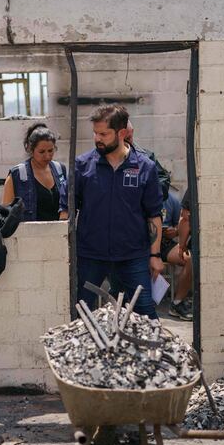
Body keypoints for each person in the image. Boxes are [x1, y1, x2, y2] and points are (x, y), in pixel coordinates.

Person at [62, 104, 163, 319]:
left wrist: (155, 255)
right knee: (80, 312)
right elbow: (66, 212)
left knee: (146, 314)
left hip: (133, 256)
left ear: (122, 133)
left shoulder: (145, 167)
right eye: (95, 133)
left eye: (104, 134)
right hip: (90, 255)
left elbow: (153, 215)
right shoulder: (82, 166)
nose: (97, 139)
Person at [2, 122, 67, 222]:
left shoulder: (60, 170)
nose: (47, 156)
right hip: (29, 230)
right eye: (41, 152)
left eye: (50, 151)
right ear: (31, 150)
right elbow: (6, 213)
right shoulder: (18, 174)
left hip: (58, 230)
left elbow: (67, 202)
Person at [160, 191, 193, 321]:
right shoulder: (138, 195)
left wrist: (174, 232)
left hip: (164, 243)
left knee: (190, 259)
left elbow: (180, 224)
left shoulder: (171, 199)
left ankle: (177, 303)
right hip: (142, 244)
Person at [125, 120, 171, 200]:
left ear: (132, 132)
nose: (125, 143)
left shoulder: (146, 157)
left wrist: (147, 192)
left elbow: (163, 181)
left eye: (128, 138)